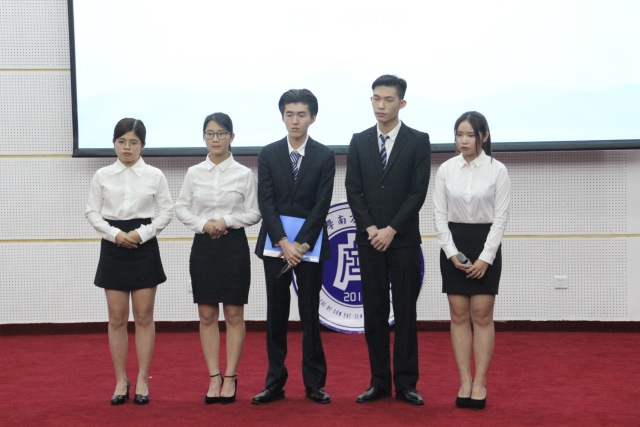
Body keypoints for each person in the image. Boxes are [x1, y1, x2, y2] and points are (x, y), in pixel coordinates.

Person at [345, 75, 431, 406]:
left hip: (403, 240)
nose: (381, 105)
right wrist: (370, 229)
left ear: (402, 103)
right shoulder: (359, 141)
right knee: (374, 312)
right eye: (376, 99)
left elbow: (417, 192)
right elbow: (353, 190)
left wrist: (392, 229)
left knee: (406, 312)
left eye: (388, 100)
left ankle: (406, 383)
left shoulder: (418, 140)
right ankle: (378, 382)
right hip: (369, 241)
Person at [252, 89, 336, 405]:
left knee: (310, 314)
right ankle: (274, 382)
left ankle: (314, 383)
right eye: (289, 114)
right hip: (276, 246)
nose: (295, 121)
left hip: (309, 246)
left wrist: (299, 245)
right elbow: (266, 201)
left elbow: (321, 204)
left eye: (301, 114)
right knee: (276, 314)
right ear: (282, 117)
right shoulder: (269, 153)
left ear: (313, 117)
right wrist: (284, 242)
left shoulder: (324, 156)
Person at [85, 118, 173, 405]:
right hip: (114, 245)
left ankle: (143, 379)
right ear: (114, 143)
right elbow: (92, 212)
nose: (127, 147)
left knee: (144, 316)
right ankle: (120, 379)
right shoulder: (102, 175)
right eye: (121, 141)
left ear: (142, 146)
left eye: (133, 142)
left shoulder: (154, 175)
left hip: (143, 244)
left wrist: (141, 234)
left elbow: (166, 212)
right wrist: (115, 235)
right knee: (116, 317)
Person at [175, 112, 261, 404]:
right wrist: (204, 224)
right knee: (207, 314)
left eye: (221, 133)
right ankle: (214, 376)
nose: (215, 139)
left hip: (233, 245)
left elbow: (255, 212)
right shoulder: (194, 173)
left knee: (234, 314)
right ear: (204, 137)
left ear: (231, 137)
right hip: (204, 246)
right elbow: (181, 208)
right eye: (210, 134)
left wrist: (227, 221)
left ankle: (231, 376)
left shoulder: (243, 173)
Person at [433, 111, 510, 410]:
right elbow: (439, 215)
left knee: (482, 314)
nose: (463, 141)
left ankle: (480, 382)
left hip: (485, 243)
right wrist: (451, 253)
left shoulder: (497, 170)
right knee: (458, 314)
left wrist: (486, 258)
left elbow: (500, 218)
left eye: (470, 135)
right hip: (454, 244)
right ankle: (465, 381)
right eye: (459, 135)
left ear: (484, 136)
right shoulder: (445, 169)